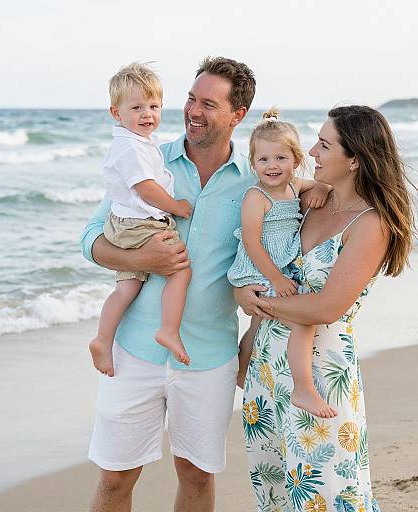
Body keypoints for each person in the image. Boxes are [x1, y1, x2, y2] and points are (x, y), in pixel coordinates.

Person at [81, 56, 257, 512]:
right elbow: (90, 240)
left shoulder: (256, 183)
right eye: (191, 99)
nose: (193, 111)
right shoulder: (146, 159)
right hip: (133, 352)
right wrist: (142, 259)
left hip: (208, 355)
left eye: (209, 104)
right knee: (116, 478)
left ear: (237, 115)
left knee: (196, 476)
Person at [234, 105, 416, 511]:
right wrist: (244, 298)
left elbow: (328, 306)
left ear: (354, 159)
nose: (311, 151)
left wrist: (262, 302)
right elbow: (260, 266)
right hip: (268, 366)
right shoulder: (307, 201)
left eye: (324, 144)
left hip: (320, 374)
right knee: (277, 493)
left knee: (328, 494)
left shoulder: (371, 224)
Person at [228, 108, 337, 419]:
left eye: (280, 159)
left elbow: (320, 185)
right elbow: (250, 242)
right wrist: (275, 278)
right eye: (263, 160)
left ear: (295, 160)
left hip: (279, 266)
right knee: (302, 323)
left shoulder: (293, 186)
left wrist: (321, 187)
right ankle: (304, 388)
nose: (272, 166)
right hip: (260, 269)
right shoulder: (256, 197)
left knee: (258, 322)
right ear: (253, 163)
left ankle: (241, 368)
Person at [89, 63, 193, 377]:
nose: (147, 114)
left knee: (127, 288)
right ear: (115, 113)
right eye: (136, 107)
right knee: (180, 271)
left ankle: (103, 338)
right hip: (140, 225)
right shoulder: (131, 147)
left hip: (124, 224)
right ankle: (169, 330)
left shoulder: (136, 142)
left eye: (154, 106)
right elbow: (146, 189)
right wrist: (176, 206)